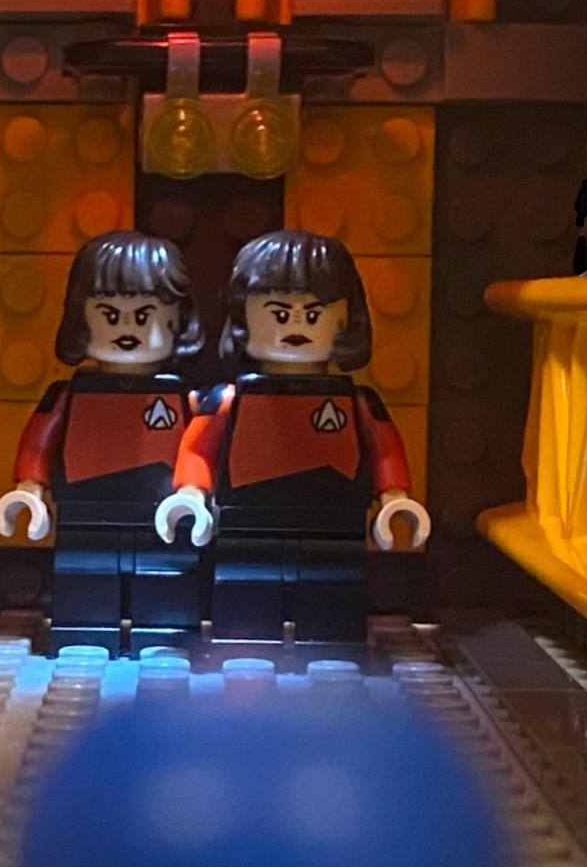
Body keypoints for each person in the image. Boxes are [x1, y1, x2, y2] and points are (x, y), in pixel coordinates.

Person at [155, 229, 429, 643]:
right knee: (246, 603)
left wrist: (394, 499)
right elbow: (198, 449)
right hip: (248, 523)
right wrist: (191, 494)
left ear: (344, 319)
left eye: (313, 314)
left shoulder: (356, 402)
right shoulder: (229, 400)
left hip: (334, 524)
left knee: (332, 602)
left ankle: (330, 654)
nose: (297, 325)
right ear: (244, 317)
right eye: (279, 314)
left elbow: (384, 452)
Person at [0, 231, 204, 650]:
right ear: (81, 317)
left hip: (163, 517)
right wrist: (29, 490)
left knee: (165, 584)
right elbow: (39, 444)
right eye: (109, 315)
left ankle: (163, 642)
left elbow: (200, 448)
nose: (126, 329)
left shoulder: (185, 398)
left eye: (143, 316)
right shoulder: (69, 394)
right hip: (84, 511)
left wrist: (193, 494)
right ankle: (84, 638)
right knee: (85, 579)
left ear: (177, 319)